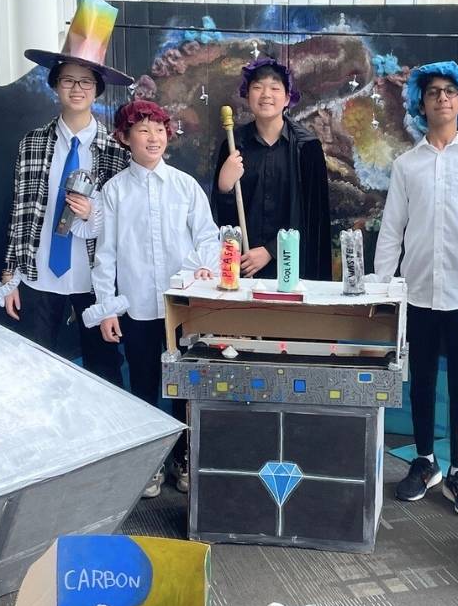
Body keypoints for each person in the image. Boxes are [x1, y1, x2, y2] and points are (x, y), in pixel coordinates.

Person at [374, 61, 458, 518]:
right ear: (421, 104)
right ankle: (425, 461)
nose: (442, 99)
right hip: (418, 291)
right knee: (423, 379)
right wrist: (381, 289)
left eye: (450, 91)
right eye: (433, 93)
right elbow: (392, 230)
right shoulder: (406, 165)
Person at [0, 0, 132, 387]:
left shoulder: (116, 152)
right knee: (35, 373)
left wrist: (94, 215)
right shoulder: (32, 143)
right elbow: (20, 211)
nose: (77, 88)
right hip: (38, 276)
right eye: (68, 80)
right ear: (55, 86)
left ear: (97, 90)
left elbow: (122, 223)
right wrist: (9, 276)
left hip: (93, 280)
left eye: (86, 81)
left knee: (104, 375)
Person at [80, 99, 221, 498]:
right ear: (125, 138)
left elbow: (208, 237)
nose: (153, 137)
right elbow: (104, 254)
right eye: (142, 130)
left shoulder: (184, 186)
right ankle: (149, 465)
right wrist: (107, 308)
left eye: (159, 129)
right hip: (137, 306)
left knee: (183, 384)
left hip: (181, 307)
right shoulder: (114, 192)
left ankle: (184, 458)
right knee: (143, 384)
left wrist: (195, 270)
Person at [211, 58, 331, 280]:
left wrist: (271, 251)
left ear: (287, 98)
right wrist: (224, 186)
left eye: (275, 88)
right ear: (247, 96)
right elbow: (222, 217)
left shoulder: (307, 147)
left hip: (292, 266)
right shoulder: (233, 144)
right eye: (257, 88)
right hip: (244, 267)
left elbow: (313, 216)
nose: (266, 94)